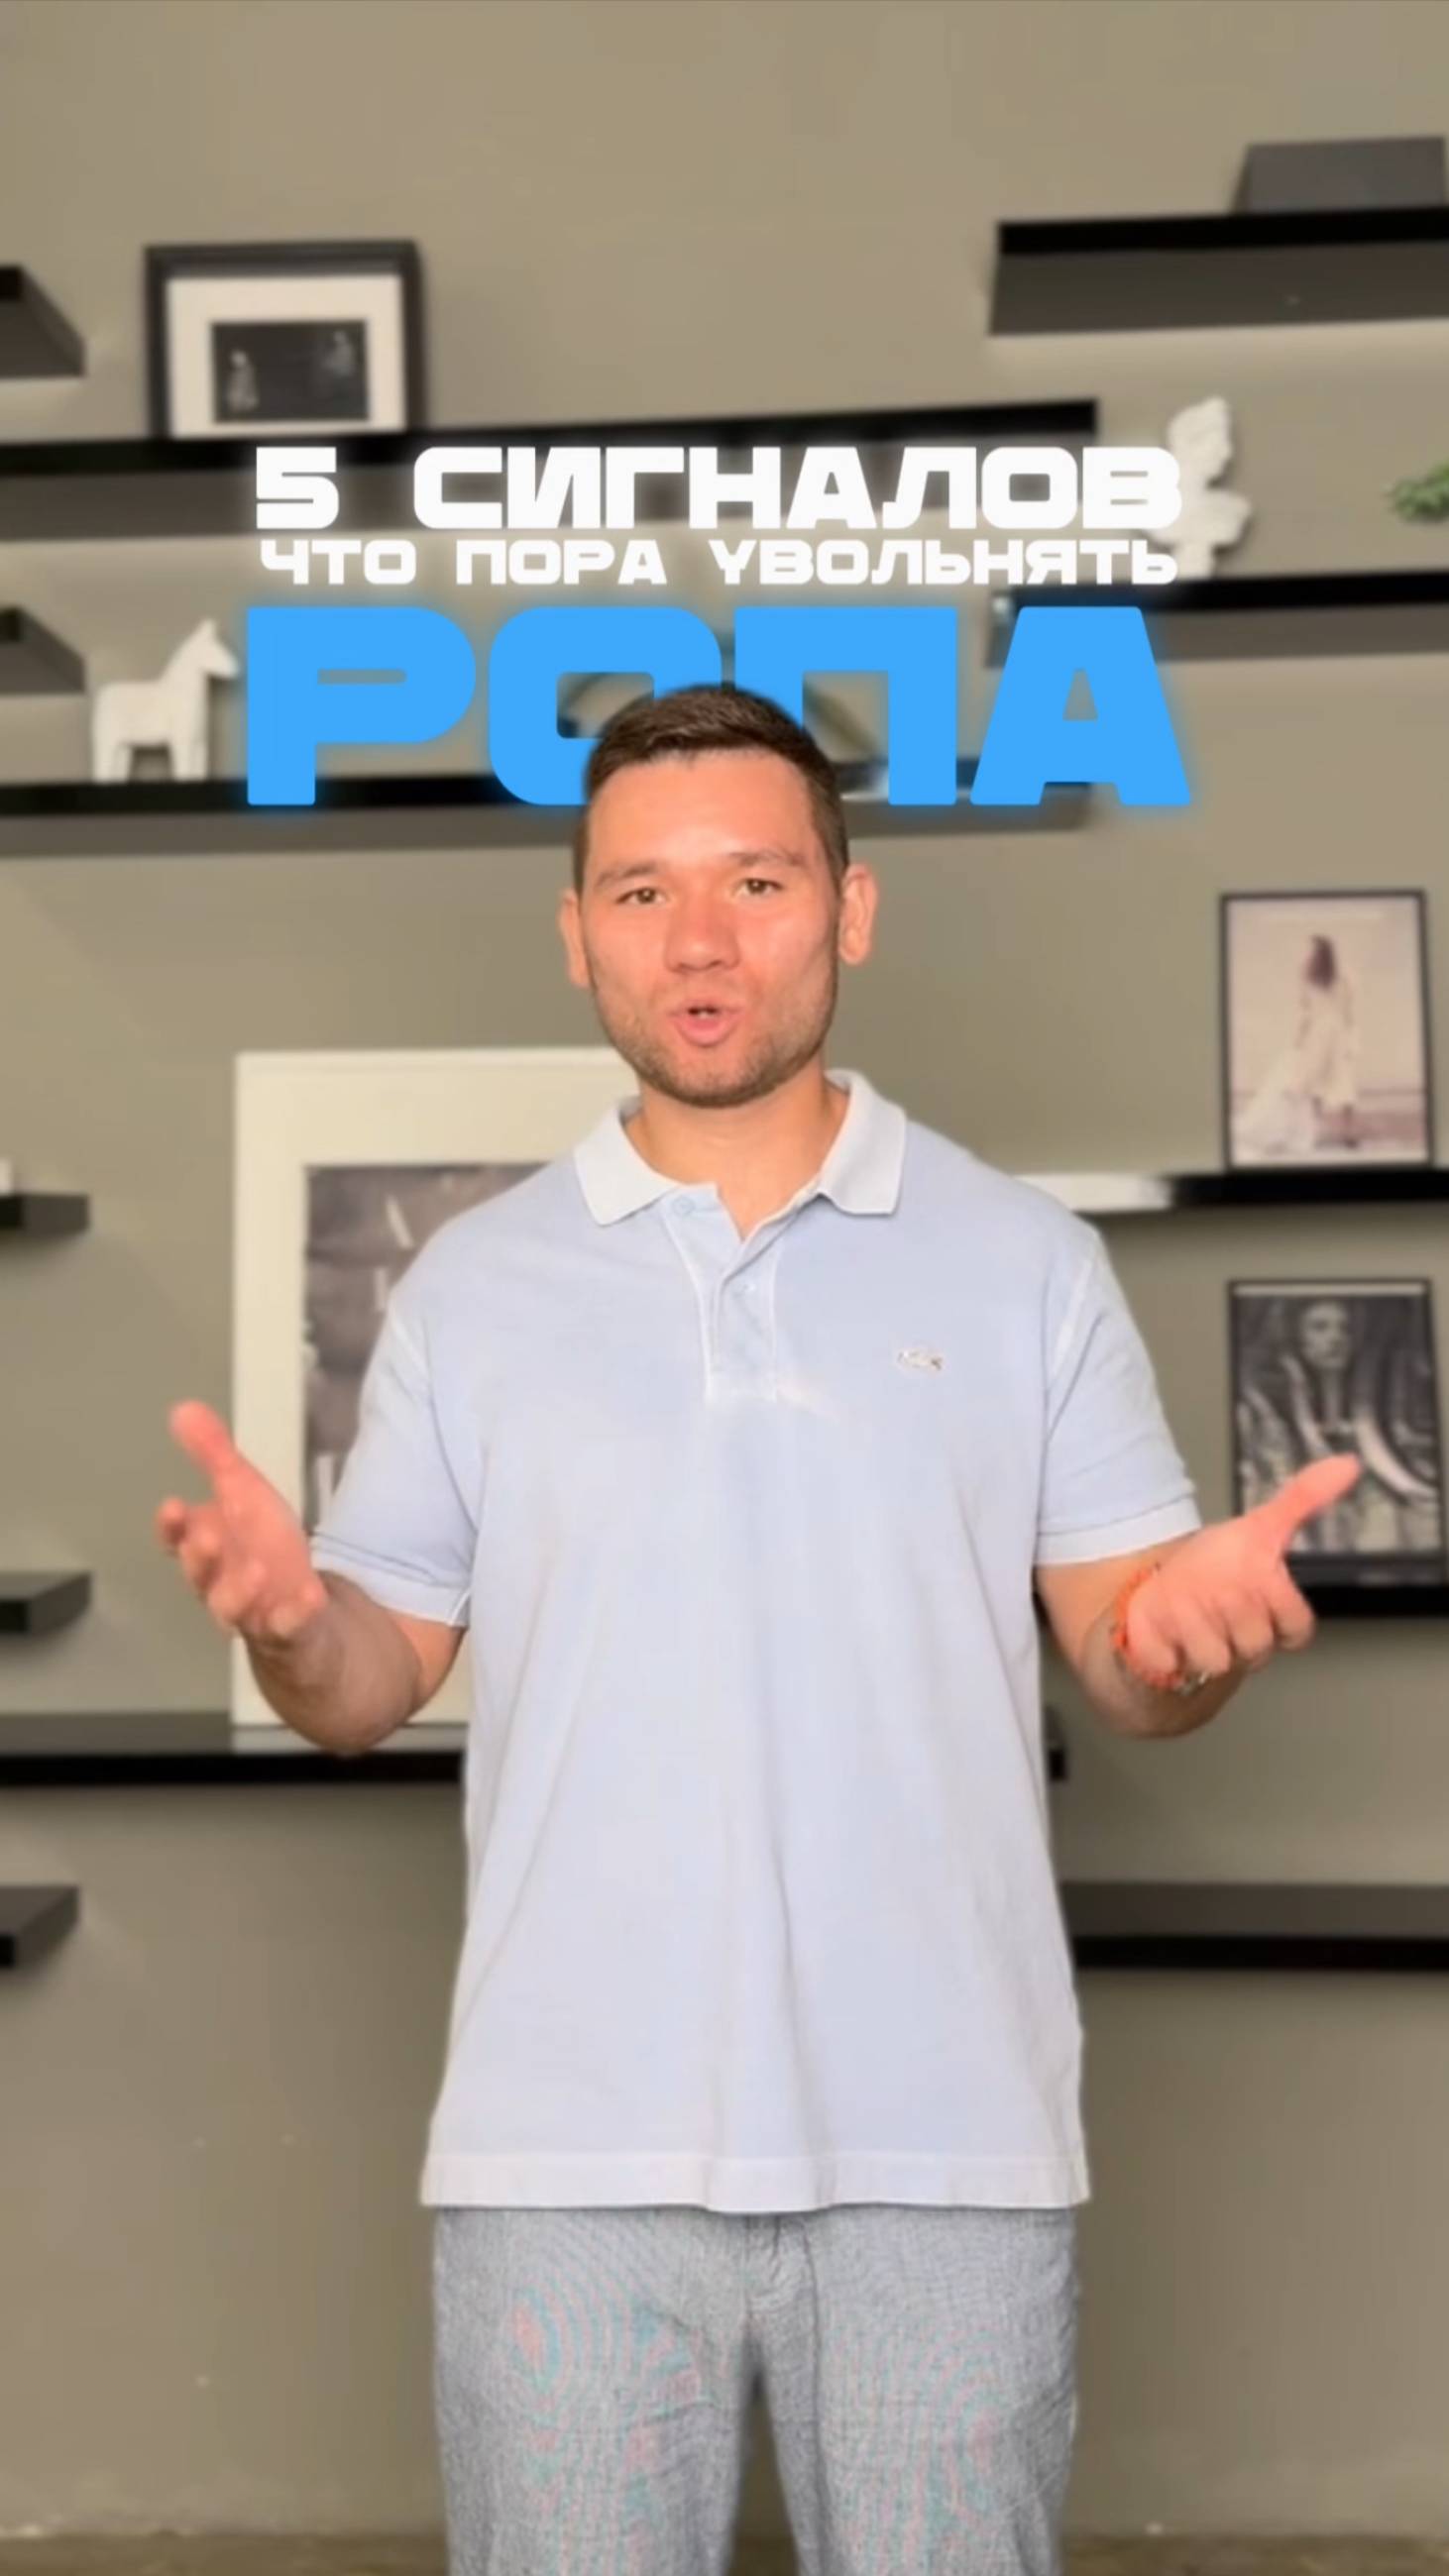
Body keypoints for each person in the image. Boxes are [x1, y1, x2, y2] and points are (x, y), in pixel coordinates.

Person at [156, 684, 1358, 2576]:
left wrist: (1182, 1639)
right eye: (640, 893)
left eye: (756, 881)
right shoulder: (472, 1290)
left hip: (947, 2152)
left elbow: (1128, 1657)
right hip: (565, 2158)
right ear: (577, 935)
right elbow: (368, 1682)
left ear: (849, 909)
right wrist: (296, 1624)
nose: (698, 940)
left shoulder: (1026, 1263)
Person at [1236, 932, 1361, 1157]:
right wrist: (1349, 1040)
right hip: (1332, 1032)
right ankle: (1343, 1134)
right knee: (1333, 1083)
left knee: (1318, 1084)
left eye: (1311, 950)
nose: (1308, 954)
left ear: (1319, 952)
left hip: (1322, 1033)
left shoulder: (1316, 974)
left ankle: (1323, 1133)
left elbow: (1310, 1011)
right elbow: (1343, 1011)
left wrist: (1299, 1040)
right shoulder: (1338, 975)